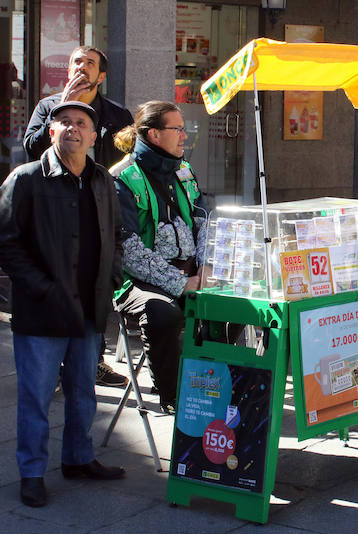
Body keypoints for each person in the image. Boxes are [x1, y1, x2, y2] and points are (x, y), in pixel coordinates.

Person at [0, 101, 127, 508]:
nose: (73, 128)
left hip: (89, 307)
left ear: (94, 136)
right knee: (36, 397)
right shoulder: (26, 179)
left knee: (83, 391)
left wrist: (111, 278)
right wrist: (41, 287)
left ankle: (78, 458)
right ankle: (32, 473)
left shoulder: (102, 179)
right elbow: (6, 243)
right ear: (51, 132)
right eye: (64, 122)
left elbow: (116, 234)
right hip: (43, 310)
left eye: (81, 123)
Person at [23, 45, 133, 389]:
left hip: (98, 209)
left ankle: (92, 361)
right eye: (76, 62)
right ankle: (55, 366)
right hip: (53, 211)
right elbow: (31, 147)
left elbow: (130, 158)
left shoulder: (116, 114)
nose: (81, 68)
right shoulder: (48, 107)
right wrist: (62, 106)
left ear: (101, 76)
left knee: (91, 287)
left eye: (89, 63)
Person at [114, 101, 208, 415]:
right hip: (137, 282)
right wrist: (181, 284)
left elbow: (204, 221)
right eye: (177, 129)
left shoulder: (184, 170)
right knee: (162, 314)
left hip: (191, 273)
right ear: (154, 134)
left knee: (236, 305)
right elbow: (127, 251)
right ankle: (175, 397)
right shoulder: (122, 178)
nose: (185, 135)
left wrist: (205, 267)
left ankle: (214, 383)